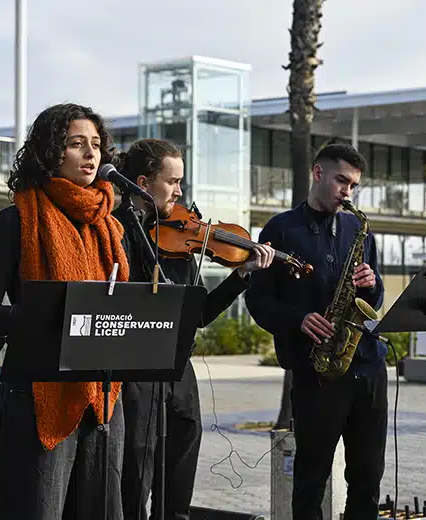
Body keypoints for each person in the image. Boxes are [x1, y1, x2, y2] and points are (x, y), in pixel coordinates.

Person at [0, 103, 129, 519]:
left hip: (102, 402)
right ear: (51, 152)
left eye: (96, 145)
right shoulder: (15, 222)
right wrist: (50, 313)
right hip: (36, 401)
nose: (91, 154)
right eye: (77, 144)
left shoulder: (109, 227)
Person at [112, 137, 275, 520]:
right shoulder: (117, 230)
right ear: (142, 182)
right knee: (137, 466)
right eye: (172, 182)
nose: (180, 192)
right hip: (136, 369)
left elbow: (199, 315)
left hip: (178, 366)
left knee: (184, 450)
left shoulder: (180, 243)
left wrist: (241, 274)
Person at [244, 142, 387, 520]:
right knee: (311, 481)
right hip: (317, 373)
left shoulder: (358, 227)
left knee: (368, 477)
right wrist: (299, 319)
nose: (348, 192)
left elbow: (376, 296)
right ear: (318, 173)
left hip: (367, 368)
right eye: (343, 181)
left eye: (354, 186)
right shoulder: (281, 228)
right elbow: (257, 301)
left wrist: (372, 283)